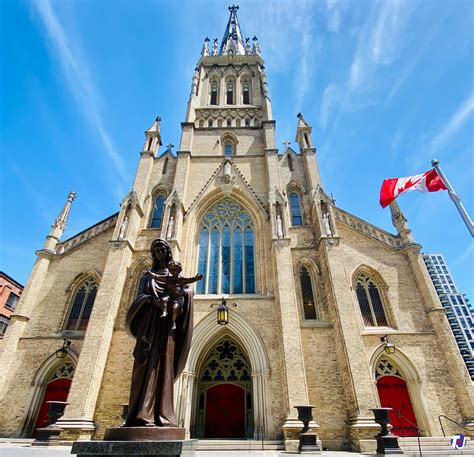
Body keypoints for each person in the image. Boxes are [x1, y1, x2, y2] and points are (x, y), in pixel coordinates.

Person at [124, 239, 201, 427]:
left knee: (163, 366)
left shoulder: (174, 276)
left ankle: (162, 414)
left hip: (167, 329)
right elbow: (139, 298)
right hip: (149, 326)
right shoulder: (148, 277)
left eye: (162, 248)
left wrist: (187, 293)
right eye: (156, 249)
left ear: (168, 252)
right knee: (144, 368)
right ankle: (140, 414)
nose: (159, 251)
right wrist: (151, 301)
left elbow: (186, 289)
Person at [147, 260, 202, 330]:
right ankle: (164, 312)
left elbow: (190, 280)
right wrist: (150, 274)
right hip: (169, 294)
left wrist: (196, 278)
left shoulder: (181, 279)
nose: (173, 271)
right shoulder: (168, 278)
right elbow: (157, 277)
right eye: (171, 270)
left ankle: (173, 322)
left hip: (178, 296)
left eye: (175, 270)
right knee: (163, 300)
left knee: (175, 307)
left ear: (179, 270)